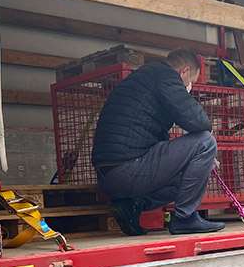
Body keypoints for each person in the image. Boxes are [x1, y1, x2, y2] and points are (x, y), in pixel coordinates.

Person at [92, 48, 225, 235]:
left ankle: (131, 206)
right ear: (184, 72)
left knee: (189, 174)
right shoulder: (166, 76)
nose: (190, 88)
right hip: (128, 169)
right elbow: (198, 121)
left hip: (109, 177)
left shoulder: (145, 78)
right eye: (191, 82)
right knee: (205, 142)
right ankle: (184, 218)